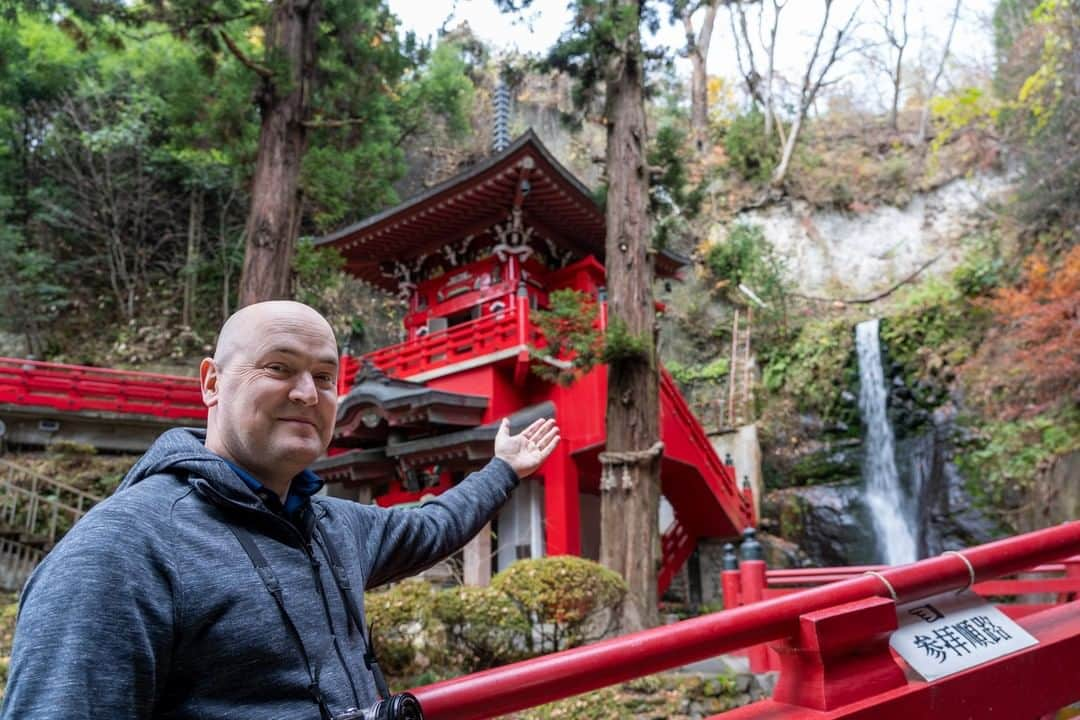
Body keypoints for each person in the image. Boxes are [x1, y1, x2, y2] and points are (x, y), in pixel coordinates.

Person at [1, 300, 560, 720]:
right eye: (278, 367)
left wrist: (504, 468)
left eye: (324, 376)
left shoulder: (330, 525)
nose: (306, 394)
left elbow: (432, 524)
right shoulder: (122, 550)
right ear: (212, 382)